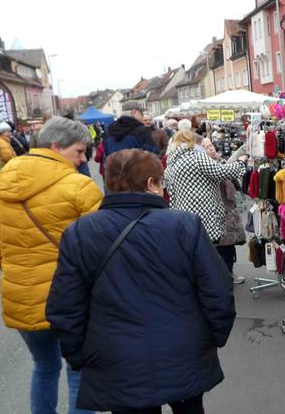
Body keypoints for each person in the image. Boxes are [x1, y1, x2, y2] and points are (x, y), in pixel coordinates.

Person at [46, 149, 235, 414]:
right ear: (150, 184)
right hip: (182, 349)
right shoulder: (183, 225)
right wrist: (212, 338)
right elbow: (218, 290)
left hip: (116, 356)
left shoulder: (81, 232)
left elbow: (65, 306)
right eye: (160, 181)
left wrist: (81, 356)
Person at [0, 116, 102, 414]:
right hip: (72, 298)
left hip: (21, 297)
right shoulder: (79, 186)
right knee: (79, 370)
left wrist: (21, 273)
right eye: (78, 151)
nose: (82, 159)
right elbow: (101, 248)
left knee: (44, 367)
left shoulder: (2, 180)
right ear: (56, 146)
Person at [165, 131, 246, 283]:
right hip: (204, 212)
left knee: (194, 252)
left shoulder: (172, 162)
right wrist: (241, 163)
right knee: (209, 251)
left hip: (182, 215)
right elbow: (221, 172)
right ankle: (214, 282)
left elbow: (170, 189)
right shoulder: (196, 157)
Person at [201, 137, 247, 283]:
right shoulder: (208, 168)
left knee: (228, 246)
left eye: (211, 145)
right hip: (219, 212)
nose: (212, 148)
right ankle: (225, 275)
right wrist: (239, 158)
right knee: (223, 247)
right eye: (207, 147)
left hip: (228, 210)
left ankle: (228, 273)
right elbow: (226, 171)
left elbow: (227, 169)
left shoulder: (218, 163)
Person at [101, 101, 159, 170]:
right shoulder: (141, 130)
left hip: (115, 176)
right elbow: (153, 155)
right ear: (134, 112)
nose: (143, 116)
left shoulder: (109, 131)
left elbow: (105, 159)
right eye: (141, 113)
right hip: (137, 176)